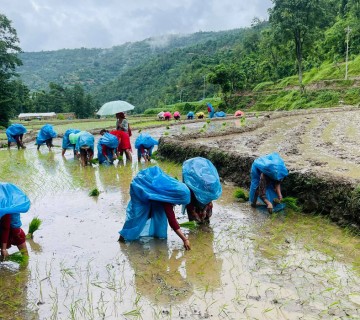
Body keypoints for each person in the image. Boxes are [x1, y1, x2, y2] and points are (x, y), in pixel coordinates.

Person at [118, 166, 191, 250]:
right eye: (179, 202)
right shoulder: (166, 198)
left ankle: (155, 236)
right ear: (177, 197)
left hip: (150, 191)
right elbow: (172, 221)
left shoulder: (173, 187)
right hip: (140, 189)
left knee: (154, 212)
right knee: (137, 218)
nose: (178, 204)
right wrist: (185, 239)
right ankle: (122, 239)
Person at [182, 157, 222, 224]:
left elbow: (210, 197)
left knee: (206, 220)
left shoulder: (211, 184)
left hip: (204, 203)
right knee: (194, 223)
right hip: (193, 202)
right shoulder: (191, 184)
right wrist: (193, 212)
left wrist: (205, 210)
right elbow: (188, 200)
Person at [0, 183, 31, 262]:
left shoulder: (3, 203)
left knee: (17, 233)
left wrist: (3, 249)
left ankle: (25, 270)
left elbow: (5, 227)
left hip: (13, 228)